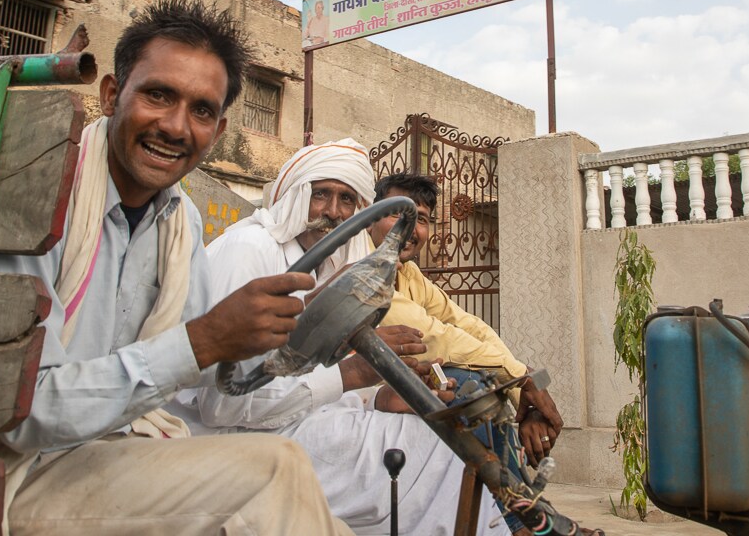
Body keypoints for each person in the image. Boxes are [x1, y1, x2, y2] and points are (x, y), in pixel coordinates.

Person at [0, 0, 353, 536]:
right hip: (8, 471)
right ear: (109, 95)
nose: (175, 126)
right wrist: (206, 341)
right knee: (275, 473)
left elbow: (204, 384)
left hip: (113, 453)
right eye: (158, 95)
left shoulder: (181, 222)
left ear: (217, 132)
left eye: (201, 110)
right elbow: (23, 412)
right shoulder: (33, 197)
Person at [190, 139, 511, 535]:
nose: (332, 211)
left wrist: (376, 396)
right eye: (320, 194)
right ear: (294, 193)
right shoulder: (249, 251)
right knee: (433, 455)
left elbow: (303, 377)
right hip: (225, 442)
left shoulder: (331, 267)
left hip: (287, 422)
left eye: (346, 199)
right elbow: (221, 406)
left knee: (441, 436)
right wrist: (351, 376)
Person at [367, 173, 565, 534]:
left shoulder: (408, 274)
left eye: (422, 219)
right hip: (359, 394)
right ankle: (525, 522)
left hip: (409, 389)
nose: (411, 228)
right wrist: (519, 377)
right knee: (473, 389)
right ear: (371, 215)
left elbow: (468, 325)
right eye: (399, 213)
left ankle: (529, 514)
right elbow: (432, 337)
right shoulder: (363, 269)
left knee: (484, 386)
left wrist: (523, 388)